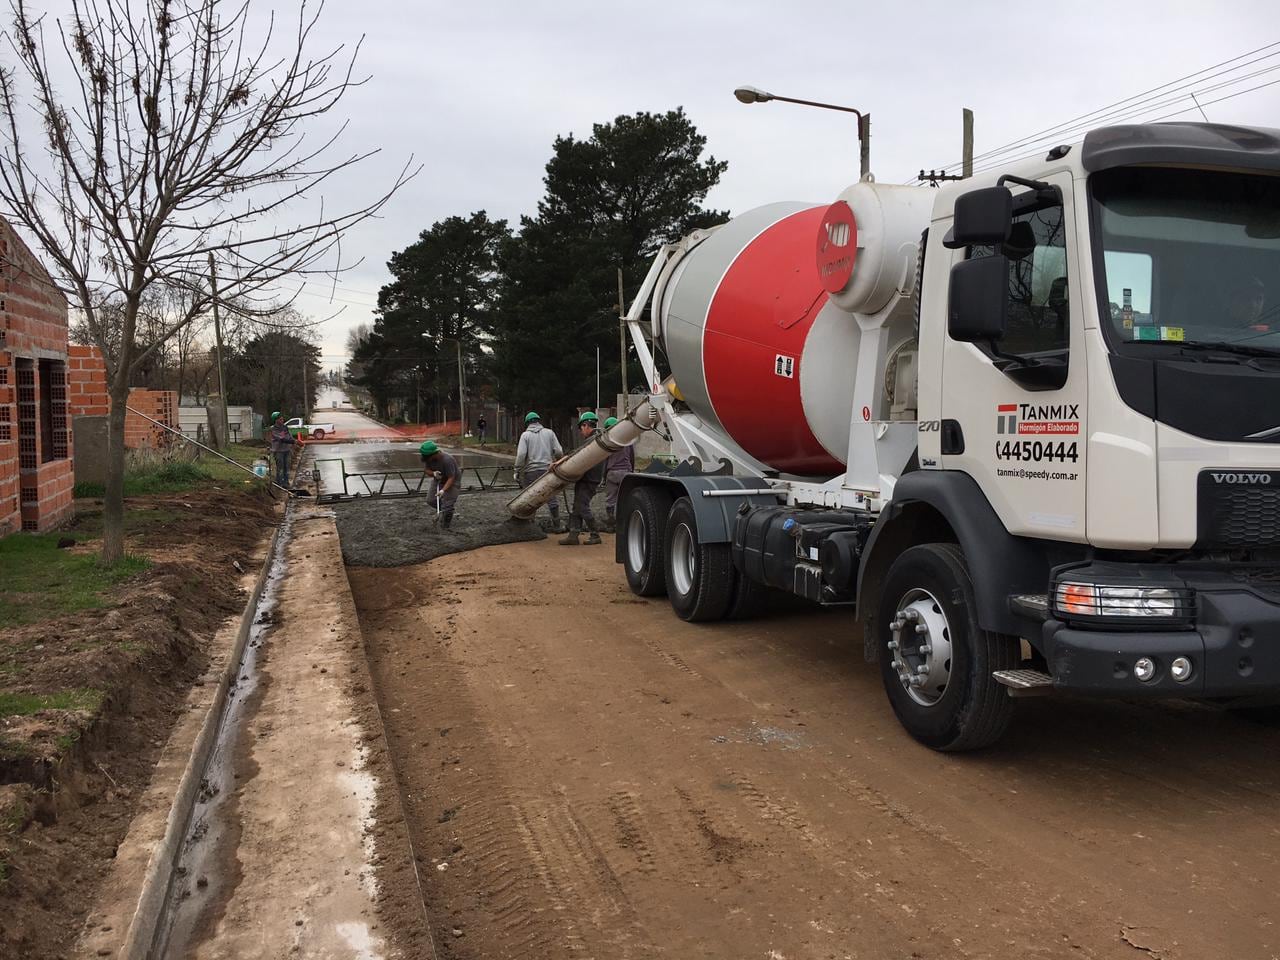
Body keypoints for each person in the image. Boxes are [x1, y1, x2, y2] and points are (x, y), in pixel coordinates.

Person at [514, 411, 565, 532]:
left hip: (530, 472)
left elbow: (521, 455)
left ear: (527, 423)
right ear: (538, 421)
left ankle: (530, 526)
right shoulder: (549, 433)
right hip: (548, 471)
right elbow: (558, 451)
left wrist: (516, 470)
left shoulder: (525, 435)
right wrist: (559, 462)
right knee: (551, 497)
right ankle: (557, 525)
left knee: (530, 499)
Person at [559, 411, 604, 546]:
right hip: (587, 479)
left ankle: (595, 534)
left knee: (582, 507)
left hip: (589, 480)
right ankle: (573, 535)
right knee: (576, 507)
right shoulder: (596, 439)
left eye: (581, 428)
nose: (581, 431)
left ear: (586, 425)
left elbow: (576, 454)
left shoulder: (592, 441)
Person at [601, 416, 635, 534]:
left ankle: (610, 525)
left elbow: (605, 461)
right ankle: (623, 525)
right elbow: (632, 457)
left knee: (610, 500)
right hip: (625, 473)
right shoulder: (627, 439)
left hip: (612, 473)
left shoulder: (607, 441)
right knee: (624, 499)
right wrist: (632, 472)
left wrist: (604, 477)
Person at [420, 440, 461, 528]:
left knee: (448, 505)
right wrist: (433, 473)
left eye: (428, 457)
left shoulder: (447, 460)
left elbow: (451, 478)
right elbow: (426, 470)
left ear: (434, 453)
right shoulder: (428, 458)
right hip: (438, 479)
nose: (427, 460)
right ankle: (445, 510)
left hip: (452, 481)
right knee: (430, 500)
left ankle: (445, 526)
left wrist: (443, 490)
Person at [266, 411, 296, 487]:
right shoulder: (273, 429)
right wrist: (292, 441)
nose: (282, 420)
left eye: (282, 419)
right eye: (280, 419)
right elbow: (281, 439)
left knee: (287, 467)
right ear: (276, 420)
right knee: (280, 467)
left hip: (286, 450)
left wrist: (293, 442)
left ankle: (286, 483)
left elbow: (289, 436)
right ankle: (279, 483)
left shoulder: (285, 427)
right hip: (278, 451)